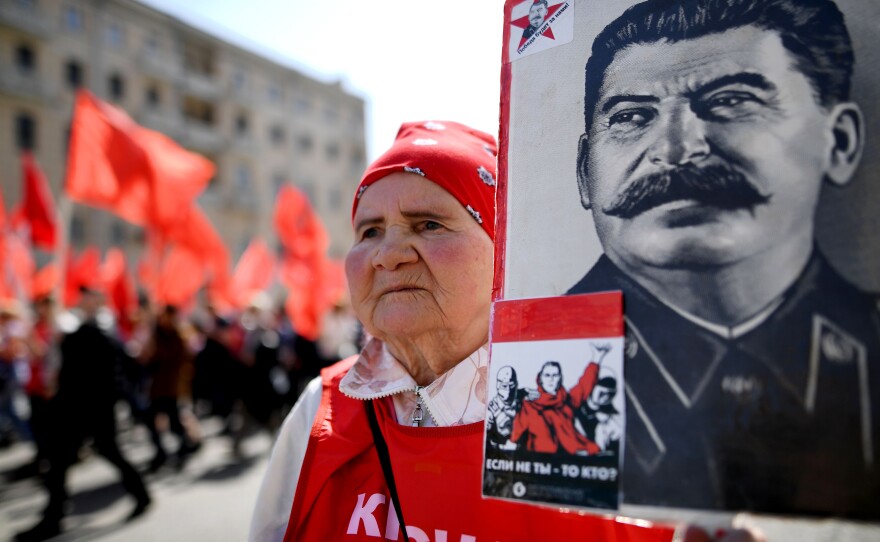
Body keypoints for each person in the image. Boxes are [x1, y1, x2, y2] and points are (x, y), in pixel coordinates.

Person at [249, 121, 758, 542]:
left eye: (428, 224)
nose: (387, 254)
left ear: (504, 251)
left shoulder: (615, 404)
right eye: (369, 231)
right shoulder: (324, 408)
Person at [567, 0, 879, 516]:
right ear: (584, 172)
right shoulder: (539, 372)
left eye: (732, 101)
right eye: (631, 117)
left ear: (839, 142)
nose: (674, 149)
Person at [16, 287, 150, 542]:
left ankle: (140, 494)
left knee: (105, 451)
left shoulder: (98, 327)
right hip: (76, 408)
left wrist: (65, 339)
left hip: (91, 407)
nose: (83, 300)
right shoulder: (74, 328)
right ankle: (54, 515)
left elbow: (96, 362)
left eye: (89, 296)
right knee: (59, 464)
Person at [486, 366, 529, 449]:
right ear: (498, 385)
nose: (509, 390)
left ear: (516, 384)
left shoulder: (523, 395)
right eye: (504, 386)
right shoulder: (491, 410)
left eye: (511, 385)